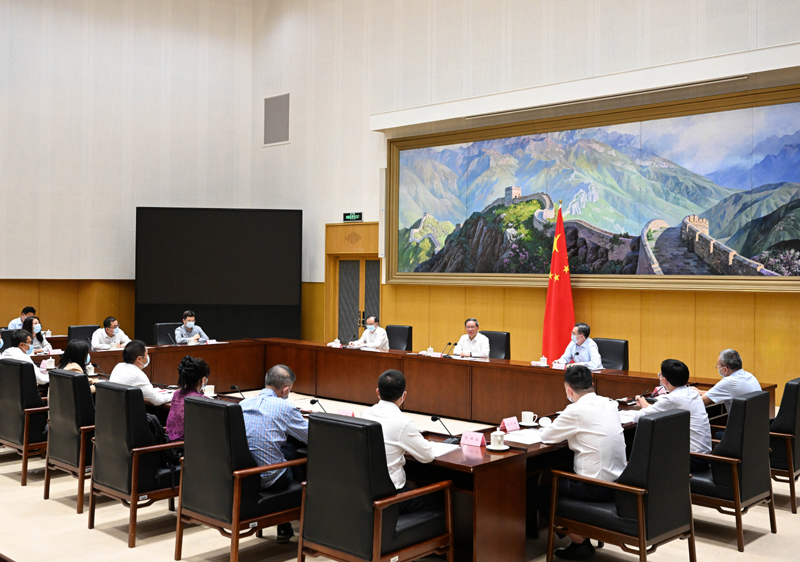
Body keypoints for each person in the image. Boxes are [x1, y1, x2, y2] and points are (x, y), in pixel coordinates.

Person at [539, 365, 626, 560]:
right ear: (592, 384)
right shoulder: (609, 403)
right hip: (619, 483)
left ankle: (580, 542)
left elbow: (547, 437)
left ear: (568, 390)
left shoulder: (575, 410)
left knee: (540, 492)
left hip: (594, 488)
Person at [241, 364, 308, 543]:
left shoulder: (242, 404)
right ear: (286, 390)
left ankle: (285, 523)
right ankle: (302, 506)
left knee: (285, 448)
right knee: (295, 451)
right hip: (271, 479)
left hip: (245, 476)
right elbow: (311, 436)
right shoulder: (285, 407)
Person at [361, 369, 437, 513]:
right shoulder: (403, 423)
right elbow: (428, 457)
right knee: (437, 499)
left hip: (366, 493)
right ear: (404, 395)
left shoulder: (365, 414)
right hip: (391, 497)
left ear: (377, 392)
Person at [634, 359, 712, 473]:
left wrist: (645, 405)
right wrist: (647, 406)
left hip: (691, 459)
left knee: (644, 452)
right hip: (705, 457)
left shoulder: (671, 399)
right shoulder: (693, 393)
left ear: (665, 380)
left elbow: (638, 417)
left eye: (660, 375)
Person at [108, 340, 173, 405]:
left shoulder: (118, 366)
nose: (147, 357)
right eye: (146, 354)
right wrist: (174, 394)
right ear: (139, 359)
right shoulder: (137, 374)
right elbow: (157, 400)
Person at [696, 349, 761, 411]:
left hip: (737, 419)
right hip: (756, 418)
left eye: (718, 367)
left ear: (725, 369)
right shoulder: (750, 376)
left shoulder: (728, 382)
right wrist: (699, 392)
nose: (718, 369)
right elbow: (717, 394)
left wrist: (691, 394)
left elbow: (701, 401)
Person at [165, 356, 210, 441]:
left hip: (170, 442)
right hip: (184, 446)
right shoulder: (202, 399)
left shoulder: (177, 394)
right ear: (204, 379)